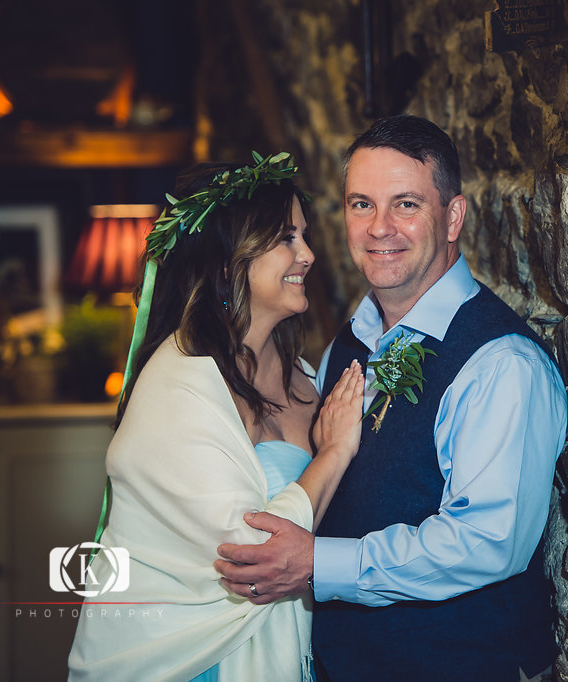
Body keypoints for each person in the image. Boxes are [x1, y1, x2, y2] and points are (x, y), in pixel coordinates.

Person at [215, 116, 568, 681]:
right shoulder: (347, 343)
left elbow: (487, 541)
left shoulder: (502, 363)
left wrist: (319, 563)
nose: (379, 228)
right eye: (362, 204)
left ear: (453, 217)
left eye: (406, 204)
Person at [67, 155, 365, 681]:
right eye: (286, 238)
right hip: (190, 659)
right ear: (228, 263)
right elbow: (253, 560)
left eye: (304, 236)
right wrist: (336, 451)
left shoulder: (304, 376)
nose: (308, 255)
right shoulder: (178, 384)